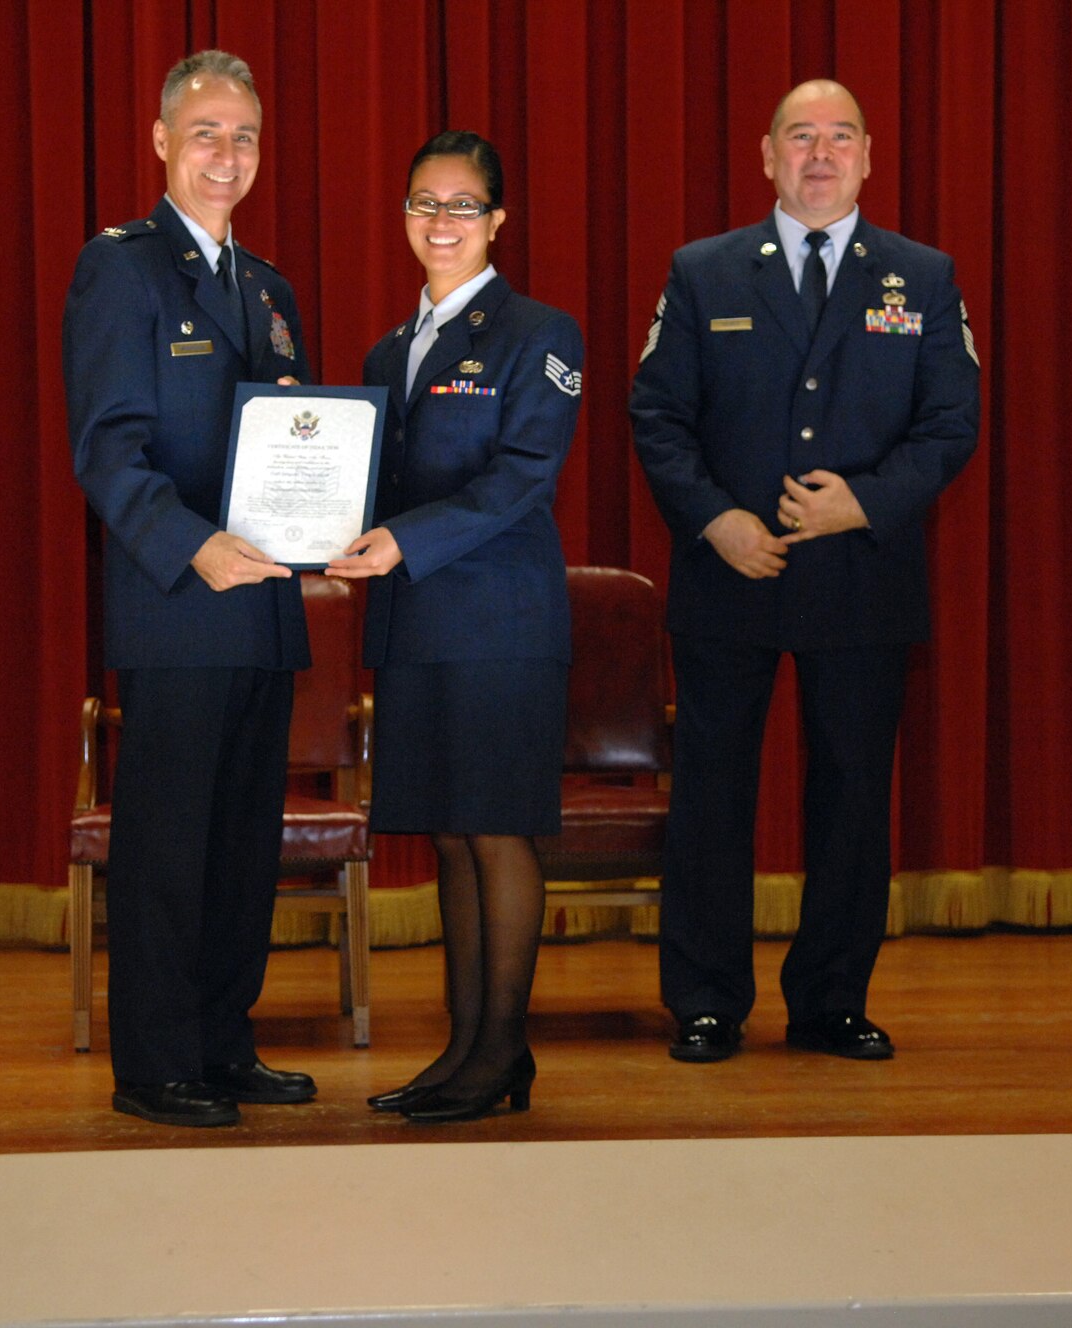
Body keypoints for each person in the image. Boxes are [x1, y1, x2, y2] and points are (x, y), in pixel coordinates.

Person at [630, 79, 979, 1064]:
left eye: (837, 138)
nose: (817, 155)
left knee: (851, 796)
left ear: (867, 155)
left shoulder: (924, 275)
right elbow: (656, 417)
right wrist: (715, 520)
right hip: (726, 576)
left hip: (859, 577)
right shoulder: (701, 274)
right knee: (710, 798)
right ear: (764, 155)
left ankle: (829, 998)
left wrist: (860, 500)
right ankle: (704, 1000)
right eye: (798, 138)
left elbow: (950, 423)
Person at [62, 50, 317, 1128]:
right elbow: (107, 449)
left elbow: (290, 442)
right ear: (161, 141)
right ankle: (156, 1061)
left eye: (245, 136)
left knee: (240, 844)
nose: (227, 154)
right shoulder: (119, 268)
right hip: (177, 602)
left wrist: (317, 525)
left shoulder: (267, 286)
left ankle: (222, 1039)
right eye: (206, 132)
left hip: (262, 610)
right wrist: (193, 544)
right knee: (168, 845)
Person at [326, 131, 584, 1122]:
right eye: (423, 203)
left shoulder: (539, 334)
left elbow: (519, 479)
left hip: (500, 623)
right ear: (402, 216)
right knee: (446, 835)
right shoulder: (388, 352)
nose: (441, 222)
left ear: (497, 220)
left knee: (496, 829)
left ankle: (501, 1051)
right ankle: (462, 1048)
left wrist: (395, 539)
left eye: (463, 205)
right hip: (418, 623)